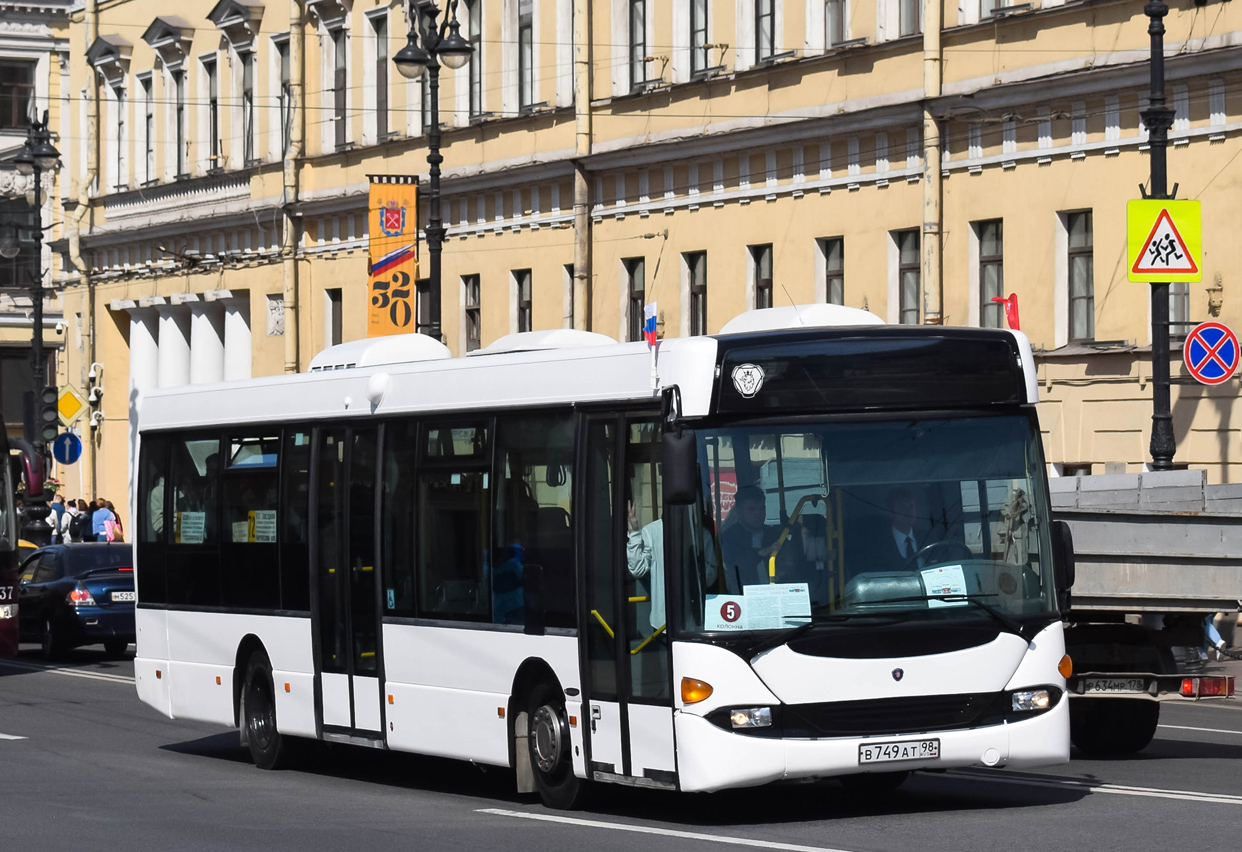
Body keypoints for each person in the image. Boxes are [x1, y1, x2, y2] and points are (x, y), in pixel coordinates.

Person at [719, 485, 781, 589]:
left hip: (777, 596)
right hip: (742, 598)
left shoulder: (775, 535)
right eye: (751, 509)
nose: (758, 514)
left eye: (762, 508)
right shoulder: (728, 538)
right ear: (739, 511)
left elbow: (791, 565)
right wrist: (760, 553)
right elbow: (733, 567)